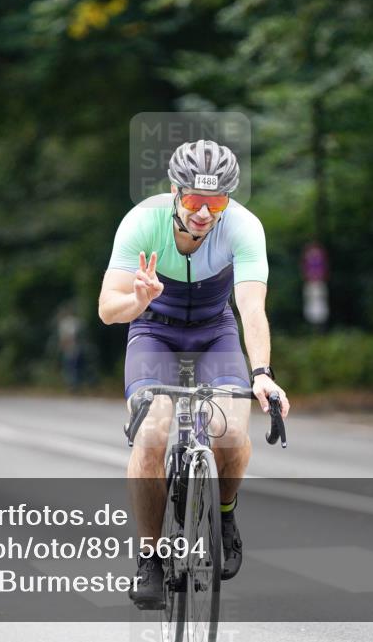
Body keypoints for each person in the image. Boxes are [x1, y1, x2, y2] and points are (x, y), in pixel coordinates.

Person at [98, 139, 291, 608]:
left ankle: (224, 513)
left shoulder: (243, 227)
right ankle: (150, 557)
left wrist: (262, 373)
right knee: (152, 434)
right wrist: (139, 301)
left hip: (213, 331)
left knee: (231, 432)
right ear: (174, 191)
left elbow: (250, 308)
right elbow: (108, 310)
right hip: (154, 330)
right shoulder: (142, 221)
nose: (204, 212)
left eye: (217, 201)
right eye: (193, 200)